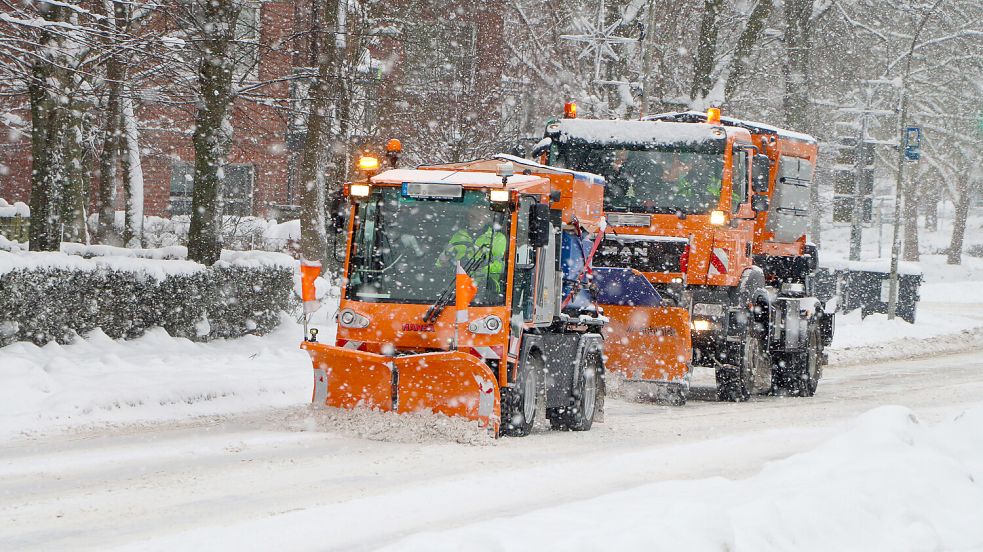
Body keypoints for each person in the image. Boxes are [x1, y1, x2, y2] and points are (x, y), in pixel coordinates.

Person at [438, 209, 507, 294]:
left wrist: (479, 267)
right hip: (457, 284)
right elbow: (441, 260)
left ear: (487, 218)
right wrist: (445, 262)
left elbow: (500, 266)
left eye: (479, 218)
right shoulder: (458, 236)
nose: (475, 221)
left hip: (485, 286)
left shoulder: (498, 238)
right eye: (472, 217)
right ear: (468, 217)